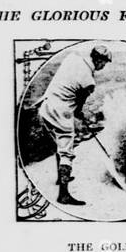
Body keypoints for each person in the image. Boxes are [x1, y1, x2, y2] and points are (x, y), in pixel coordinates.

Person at [36, 41, 111, 206]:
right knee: (67, 153)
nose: (104, 65)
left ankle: (60, 178)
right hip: (60, 113)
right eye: (105, 62)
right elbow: (78, 105)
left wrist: (77, 110)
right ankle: (64, 194)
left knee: (59, 144)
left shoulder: (73, 58)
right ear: (99, 60)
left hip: (45, 107)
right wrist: (79, 112)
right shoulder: (89, 82)